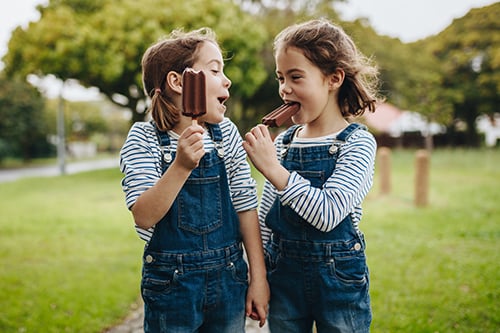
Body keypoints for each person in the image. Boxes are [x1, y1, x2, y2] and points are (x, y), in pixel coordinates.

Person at [120, 27, 269, 333]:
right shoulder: (143, 139)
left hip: (229, 280)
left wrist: (259, 277)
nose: (226, 80)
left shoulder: (225, 133)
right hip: (172, 287)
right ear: (178, 81)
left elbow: (245, 204)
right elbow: (144, 216)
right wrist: (181, 165)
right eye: (215, 70)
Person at [243, 18, 380, 333]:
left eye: (296, 77)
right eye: (280, 77)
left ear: (333, 78)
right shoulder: (285, 143)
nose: (284, 88)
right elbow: (266, 219)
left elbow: (328, 213)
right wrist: (258, 278)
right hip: (283, 275)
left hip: (338, 279)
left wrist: (274, 170)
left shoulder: (357, 142)